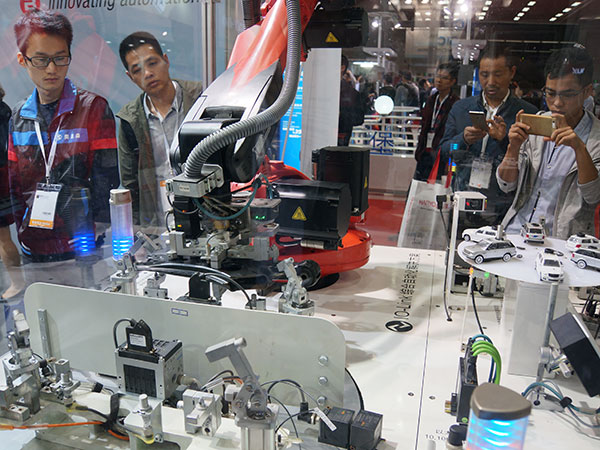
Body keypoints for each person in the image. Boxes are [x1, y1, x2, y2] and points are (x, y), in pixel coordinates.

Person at [8, 9, 119, 275]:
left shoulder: (93, 108)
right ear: (22, 60)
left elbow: (106, 178)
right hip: (33, 247)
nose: (52, 69)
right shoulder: (19, 116)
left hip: (85, 249)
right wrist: (22, 230)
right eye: (41, 60)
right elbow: (14, 185)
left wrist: (97, 231)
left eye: (60, 58)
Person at [498, 45, 600, 238]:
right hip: (516, 230)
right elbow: (506, 185)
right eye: (551, 93)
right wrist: (513, 148)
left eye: (568, 94)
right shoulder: (537, 123)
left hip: (562, 240)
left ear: (587, 91)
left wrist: (579, 149)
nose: (557, 103)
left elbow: (593, 196)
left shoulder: (596, 138)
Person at [439, 46, 538, 225]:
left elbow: (532, 164)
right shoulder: (461, 108)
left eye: (498, 74)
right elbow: (445, 151)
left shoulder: (527, 113)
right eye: (484, 75)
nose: (491, 81)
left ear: (511, 73)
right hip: (462, 199)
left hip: (503, 206)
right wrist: (462, 140)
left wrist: (505, 141)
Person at [117, 31, 203, 230]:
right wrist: (138, 231)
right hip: (157, 222)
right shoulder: (130, 120)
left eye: (152, 63)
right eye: (137, 70)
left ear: (166, 60)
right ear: (130, 77)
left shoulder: (200, 98)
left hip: (204, 213)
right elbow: (130, 184)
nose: (147, 73)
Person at [414, 63, 459, 181]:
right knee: (420, 184)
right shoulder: (431, 100)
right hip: (425, 151)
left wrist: (451, 161)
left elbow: (454, 134)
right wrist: (419, 150)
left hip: (441, 154)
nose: (439, 80)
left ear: (452, 81)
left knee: (438, 185)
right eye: (437, 76)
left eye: (444, 78)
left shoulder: (456, 104)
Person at [0, 84, 25, 299]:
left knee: (3, 237)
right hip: (8, 175)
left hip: (3, 177)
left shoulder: (4, 111)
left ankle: (17, 284)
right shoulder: (5, 109)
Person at [338, 54, 364, 145]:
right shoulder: (320, 88)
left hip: (341, 137)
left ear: (342, 68)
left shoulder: (352, 93)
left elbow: (359, 118)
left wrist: (341, 115)